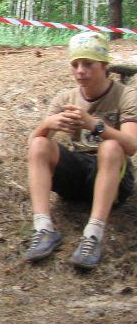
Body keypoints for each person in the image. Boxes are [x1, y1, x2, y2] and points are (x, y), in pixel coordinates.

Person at [24, 31, 137, 269]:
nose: (80, 71)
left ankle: (93, 235)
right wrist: (46, 125)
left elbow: (131, 145)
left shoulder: (125, 95)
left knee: (111, 147)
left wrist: (93, 124)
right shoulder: (65, 98)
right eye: (75, 65)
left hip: (115, 176)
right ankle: (43, 229)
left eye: (88, 64)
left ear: (104, 66)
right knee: (40, 143)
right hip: (78, 174)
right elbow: (33, 149)